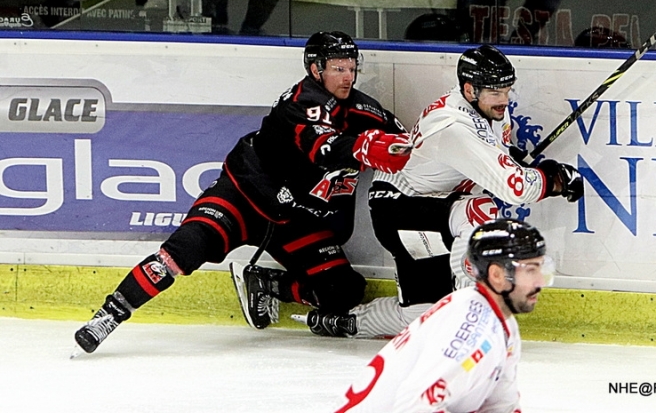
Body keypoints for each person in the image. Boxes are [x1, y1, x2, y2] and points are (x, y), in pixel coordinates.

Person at [73, 31, 410, 355]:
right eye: (338, 68)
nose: (348, 76)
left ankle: (268, 284)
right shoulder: (300, 103)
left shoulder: (363, 110)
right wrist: (364, 147)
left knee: (343, 291)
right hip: (243, 198)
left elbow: (405, 139)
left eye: (352, 68)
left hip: (292, 219)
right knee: (178, 255)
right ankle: (108, 316)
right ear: (315, 70)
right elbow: (322, 146)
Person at [295, 44, 581, 339]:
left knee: (423, 316)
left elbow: (494, 157)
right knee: (480, 210)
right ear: (470, 90)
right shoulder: (451, 125)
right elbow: (514, 188)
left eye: (507, 90)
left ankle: (346, 322)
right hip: (398, 208)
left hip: (428, 209)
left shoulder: (486, 110)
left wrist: (528, 166)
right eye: (496, 92)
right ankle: (468, 315)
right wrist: (554, 179)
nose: (504, 100)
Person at [332, 218, 553, 412]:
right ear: (496, 274)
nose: (540, 282)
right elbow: (415, 406)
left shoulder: (502, 323)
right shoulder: (471, 330)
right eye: (530, 270)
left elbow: (501, 405)